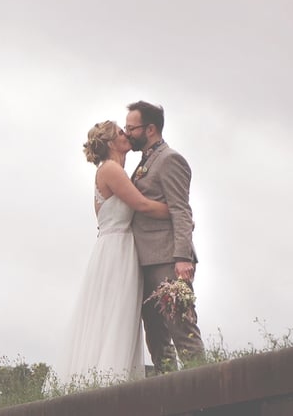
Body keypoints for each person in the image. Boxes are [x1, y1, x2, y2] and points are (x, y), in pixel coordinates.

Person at [56, 120, 170, 389]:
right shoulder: (110, 169)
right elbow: (141, 204)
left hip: (118, 247)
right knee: (115, 313)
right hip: (116, 250)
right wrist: (176, 212)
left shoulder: (116, 170)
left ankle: (111, 381)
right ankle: (109, 381)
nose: (126, 134)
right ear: (110, 143)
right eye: (121, 132)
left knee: (116, 314)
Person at [125, 100, 206, 373]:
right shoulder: (144, 161)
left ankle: (203, 385)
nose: (127, 133)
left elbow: (181, 209)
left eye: (131, 128)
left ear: (150, 129)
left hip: (168, 260)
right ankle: (168, 388)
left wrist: (183, 257)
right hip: (145, 261)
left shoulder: (170, 159)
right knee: (156, 337)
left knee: (182, 330)